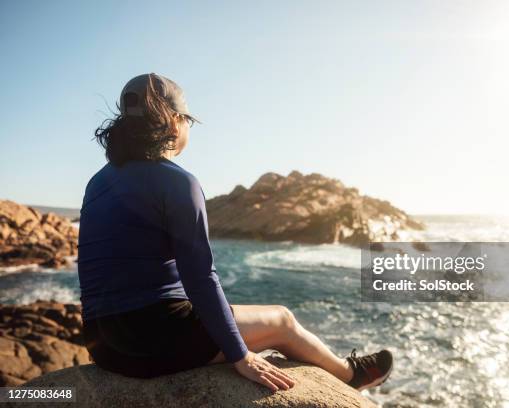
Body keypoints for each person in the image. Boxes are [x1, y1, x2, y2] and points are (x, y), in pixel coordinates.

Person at [77, 73, 393, 392]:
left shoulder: (97, 183)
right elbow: (199, 277)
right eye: (188, 120)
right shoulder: (177, 181)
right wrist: (239, 354)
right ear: (174, 122)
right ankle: (351, 375)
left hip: (104, 345)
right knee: (282, 320)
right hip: (155, 341)